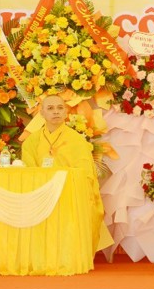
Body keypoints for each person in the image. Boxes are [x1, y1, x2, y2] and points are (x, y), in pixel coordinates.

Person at [21, 93, 113, 250]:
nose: (56, 111)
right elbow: (29, 172)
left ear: (65, 112)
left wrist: (63, 186)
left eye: (60, 108)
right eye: (50, 108)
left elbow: (86, 174)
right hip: (42, 195)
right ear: (42, 113)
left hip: (70, 196)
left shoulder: (76, 140)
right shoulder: (31, 141)